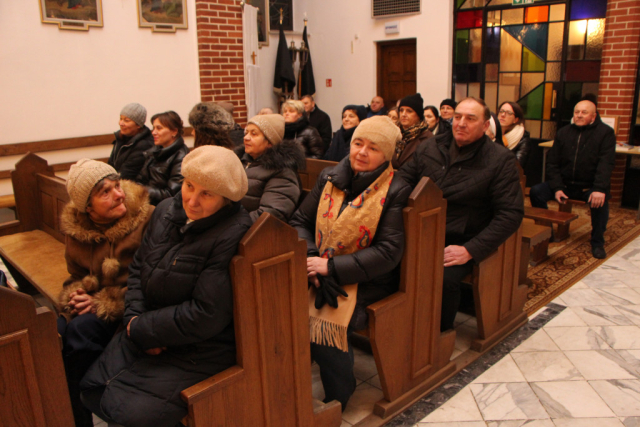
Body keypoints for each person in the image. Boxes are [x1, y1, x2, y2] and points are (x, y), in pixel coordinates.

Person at [81, 146, 252, 427]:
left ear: (226, 198)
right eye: (189, 185)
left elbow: (206, 313)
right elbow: (138, 269)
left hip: (198, 349)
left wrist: (143, 329)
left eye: (206, 194)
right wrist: (134, 320)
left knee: (131, 412)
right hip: (148, 328)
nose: (192, 201)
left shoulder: (234, 232)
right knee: (95, 389)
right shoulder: (165, 211)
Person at [290, 115, 411, 411]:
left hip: (369, 278)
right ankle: (289, 386)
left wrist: (331, 268)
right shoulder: (330, 177)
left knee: (325, 318)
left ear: (387, 155)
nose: (362, 152)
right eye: (358, 143)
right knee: (280, 307)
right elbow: (300, 220)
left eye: (373, 148)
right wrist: (313, 261)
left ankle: (339, 394)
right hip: (319, 264)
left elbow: (388, 252)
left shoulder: (396, 188)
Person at [397, 97, 524, 332]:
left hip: (463, 239)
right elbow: (402, 180)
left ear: (485, 126)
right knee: (386, 260)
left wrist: (470, 250)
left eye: (470, 118)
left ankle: (437, 335)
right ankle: (400, 324)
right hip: (421, 228)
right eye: (457, 117)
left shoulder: (499, 160)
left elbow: (511, 214)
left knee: (442, 278)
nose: (461, 123)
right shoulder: (431, 147)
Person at [57, 159, 154, 427]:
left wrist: (100, 302)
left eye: (117, 186)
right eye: (105, 192)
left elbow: (152, 279)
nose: (118, 195)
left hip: (132, 305)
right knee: (54, 331)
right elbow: (75, 274)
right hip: (96, 305)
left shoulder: (146, 219)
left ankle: (89, 410)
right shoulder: (77, 232)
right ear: (87, 208)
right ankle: (70, 410)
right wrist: (76, 295)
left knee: (79, 333)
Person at [529, 99, 616, 259]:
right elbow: (552, 163)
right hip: (565, 185)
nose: (579, 115)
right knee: (536, 192)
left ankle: (597, 242)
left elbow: (606, 163)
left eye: (584, 112)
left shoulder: (606, 133)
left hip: (589, 187)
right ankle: (547, 232)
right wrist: (557, 187)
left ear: (593, 116)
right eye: (577, 112)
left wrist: (599, 188)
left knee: (600, 202)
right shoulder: (564, 132)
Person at [237, 114, 305, 222]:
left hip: (255, 229)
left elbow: (271, 214)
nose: (246, 137)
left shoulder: (282, 171)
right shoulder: (241, 161)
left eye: (254, 134)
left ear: (269, 142)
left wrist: (233, 226)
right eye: (246, 133)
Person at [136, 111, 190, 205]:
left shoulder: (181, 157)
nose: (153, 132)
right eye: (153, 128)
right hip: (146, 201)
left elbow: (172, 194)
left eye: (159, 128)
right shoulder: (154, 151)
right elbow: (140, 179)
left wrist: (143, 190)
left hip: (164, 207)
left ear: (174, 131)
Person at [108, 103, 155, 181]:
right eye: (121, 119)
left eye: (126, 120)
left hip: (130, 185)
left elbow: (127, 174)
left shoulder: (144, 145)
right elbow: (110, 165)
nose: (121, 123)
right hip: (115, 181)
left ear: (138, 125)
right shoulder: (121, 138)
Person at [393, 93, 433, 168]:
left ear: (418, 115)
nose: (403, 114)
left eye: (409, 111)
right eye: (401, 110)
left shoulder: (427, 138)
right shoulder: (393, 133)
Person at [498, 101, 531, 168]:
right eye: (501, 111)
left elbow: (517, 166)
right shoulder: (492, 133)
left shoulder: (522, 138)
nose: (503, 115)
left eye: (509, 113)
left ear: (516, 120)